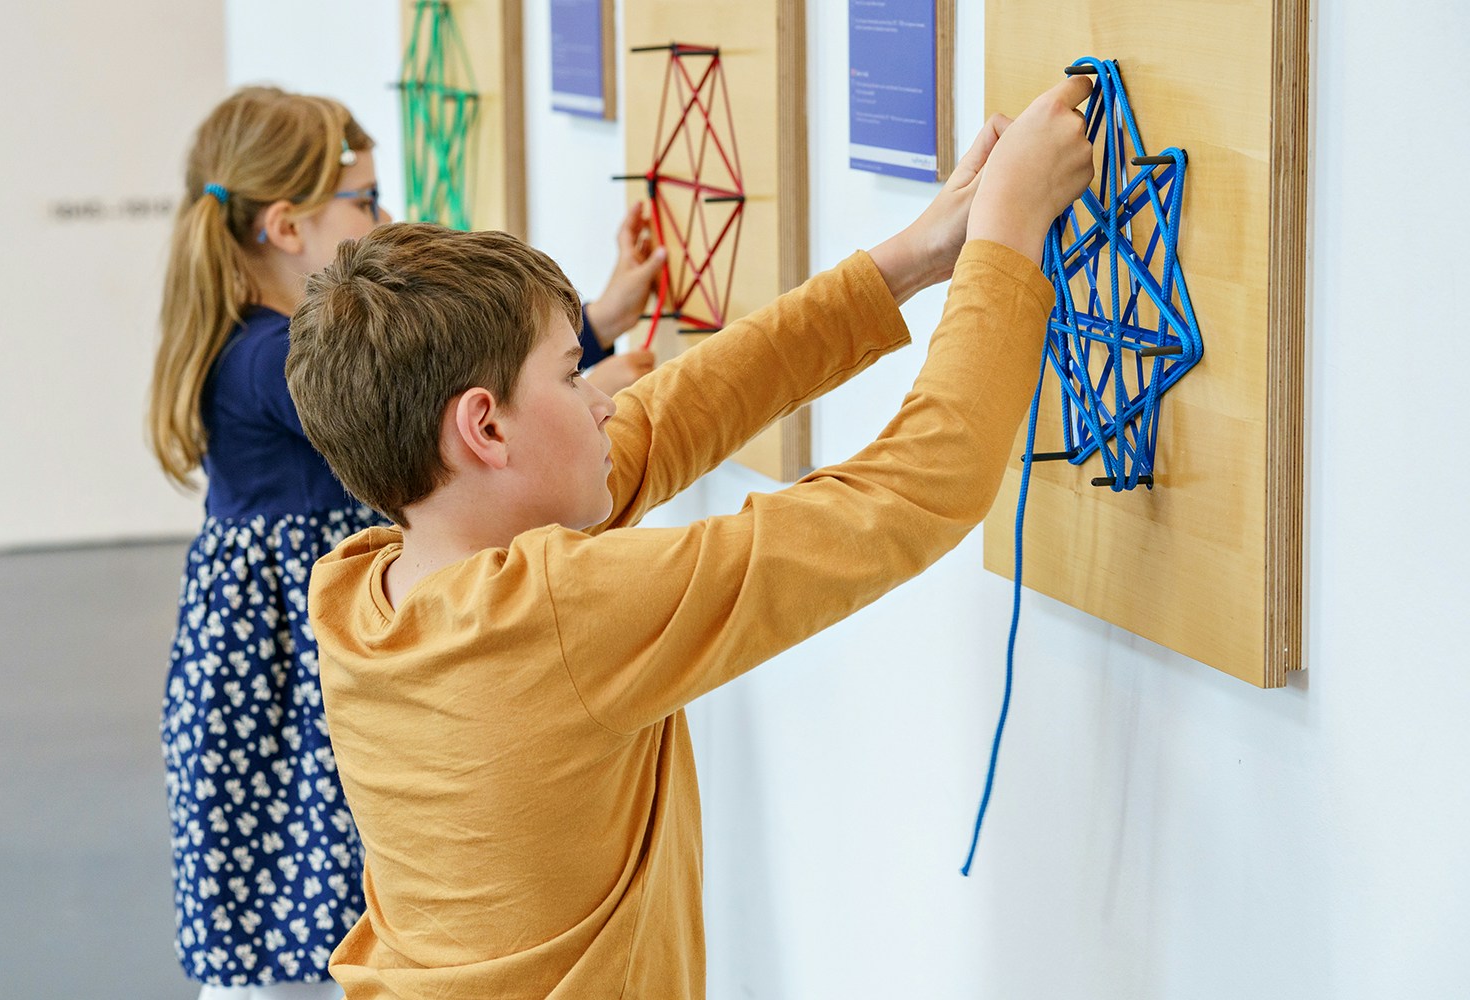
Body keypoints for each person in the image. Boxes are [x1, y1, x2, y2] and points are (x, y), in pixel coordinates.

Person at [283, 76, 1095, 998]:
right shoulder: (558, 615)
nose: (603, 399)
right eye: (571, 372)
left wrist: (914, 256)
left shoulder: (364, 590)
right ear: (488, 429)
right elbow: (917, 492)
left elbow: (669, 420)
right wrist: (1007, 239)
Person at [147, 85, 662, 997]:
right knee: (292, 879)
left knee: (302, 878)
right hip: (285, 669)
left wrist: (599, 323)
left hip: (276, 657)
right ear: (288, 227)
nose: (384, 217)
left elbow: (453, 376)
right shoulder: (272, 358)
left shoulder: (259, 340)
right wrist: (595, 379)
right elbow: (427, 395)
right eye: (367, 201)